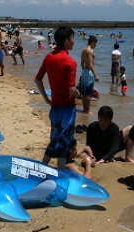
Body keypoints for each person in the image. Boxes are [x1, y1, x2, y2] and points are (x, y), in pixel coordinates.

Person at [34, 26, 78, 170]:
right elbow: (72, 89)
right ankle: (59, 171)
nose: (74, 42)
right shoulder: (70, 62)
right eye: (72, 39)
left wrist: (46, 98)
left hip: (55, 107)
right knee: (63, 143)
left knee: (55, 141)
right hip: (67, 109)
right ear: (66, 41)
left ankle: (43, 167)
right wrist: (82, 95)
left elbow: (38, 79)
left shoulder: (49, 57)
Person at [79, 35, 99, 115]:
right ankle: (87, 110)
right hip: (89, 72)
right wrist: (95, 74)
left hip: (84, 71)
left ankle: (84, 109)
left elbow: (82, 62)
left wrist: (84, 70)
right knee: (88, 93)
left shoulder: (84, 50)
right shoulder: (90, 51)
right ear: (93, 42)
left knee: (83, 92)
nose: (95, 45)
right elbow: (90, 64)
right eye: (95, 44)